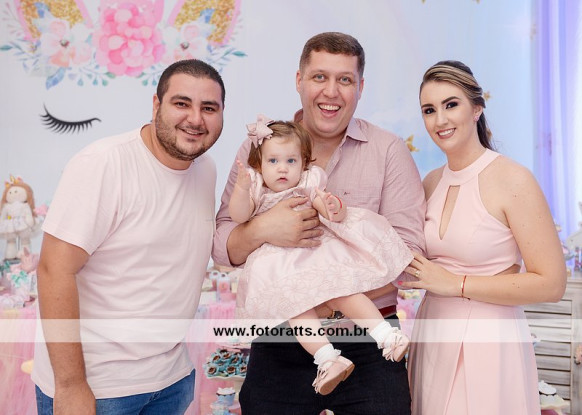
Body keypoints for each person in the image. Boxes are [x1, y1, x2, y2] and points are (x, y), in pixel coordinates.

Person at [213, 32, 426, 414]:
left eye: (345, 79)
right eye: (319, 77)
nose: (331, 91)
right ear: (299, 80)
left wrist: (327, 288)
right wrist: (264, 228)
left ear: (360, 87)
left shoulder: (388, 150)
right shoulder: (261, 147)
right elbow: (222, 245)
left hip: (370, 337)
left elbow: (407, 252)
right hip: (281, 336)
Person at [32, 59, 225, 415]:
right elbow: (53, 270)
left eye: (209, 108)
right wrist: (71, 385)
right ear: (156, 105)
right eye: (181, 103)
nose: (196, 119)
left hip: (172, 379)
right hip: (100, 387)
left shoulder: (205, 168)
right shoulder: (104, 164)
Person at [401, 60, 567, 414]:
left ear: (477, 108)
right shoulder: (429, 182)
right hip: (432, 335)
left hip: (489, 342)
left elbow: (552, 284)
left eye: (451, 104)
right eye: (429, 110)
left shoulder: (513, 179)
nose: (440, 120)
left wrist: (457, 284)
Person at [230, 115, 413, 395]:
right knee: (296, 309)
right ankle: (327, 358)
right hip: (281, 267)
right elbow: (239, 216)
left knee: (343, 289)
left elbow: (329, 208)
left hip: (315, 254)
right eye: (273, 161)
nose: (282, 168)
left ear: (303, 163)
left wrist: (332, 206)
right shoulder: (258, 189)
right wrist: (242, 189)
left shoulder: (308, 182)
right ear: (260, 165)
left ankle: (387, 335)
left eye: (291, 161)